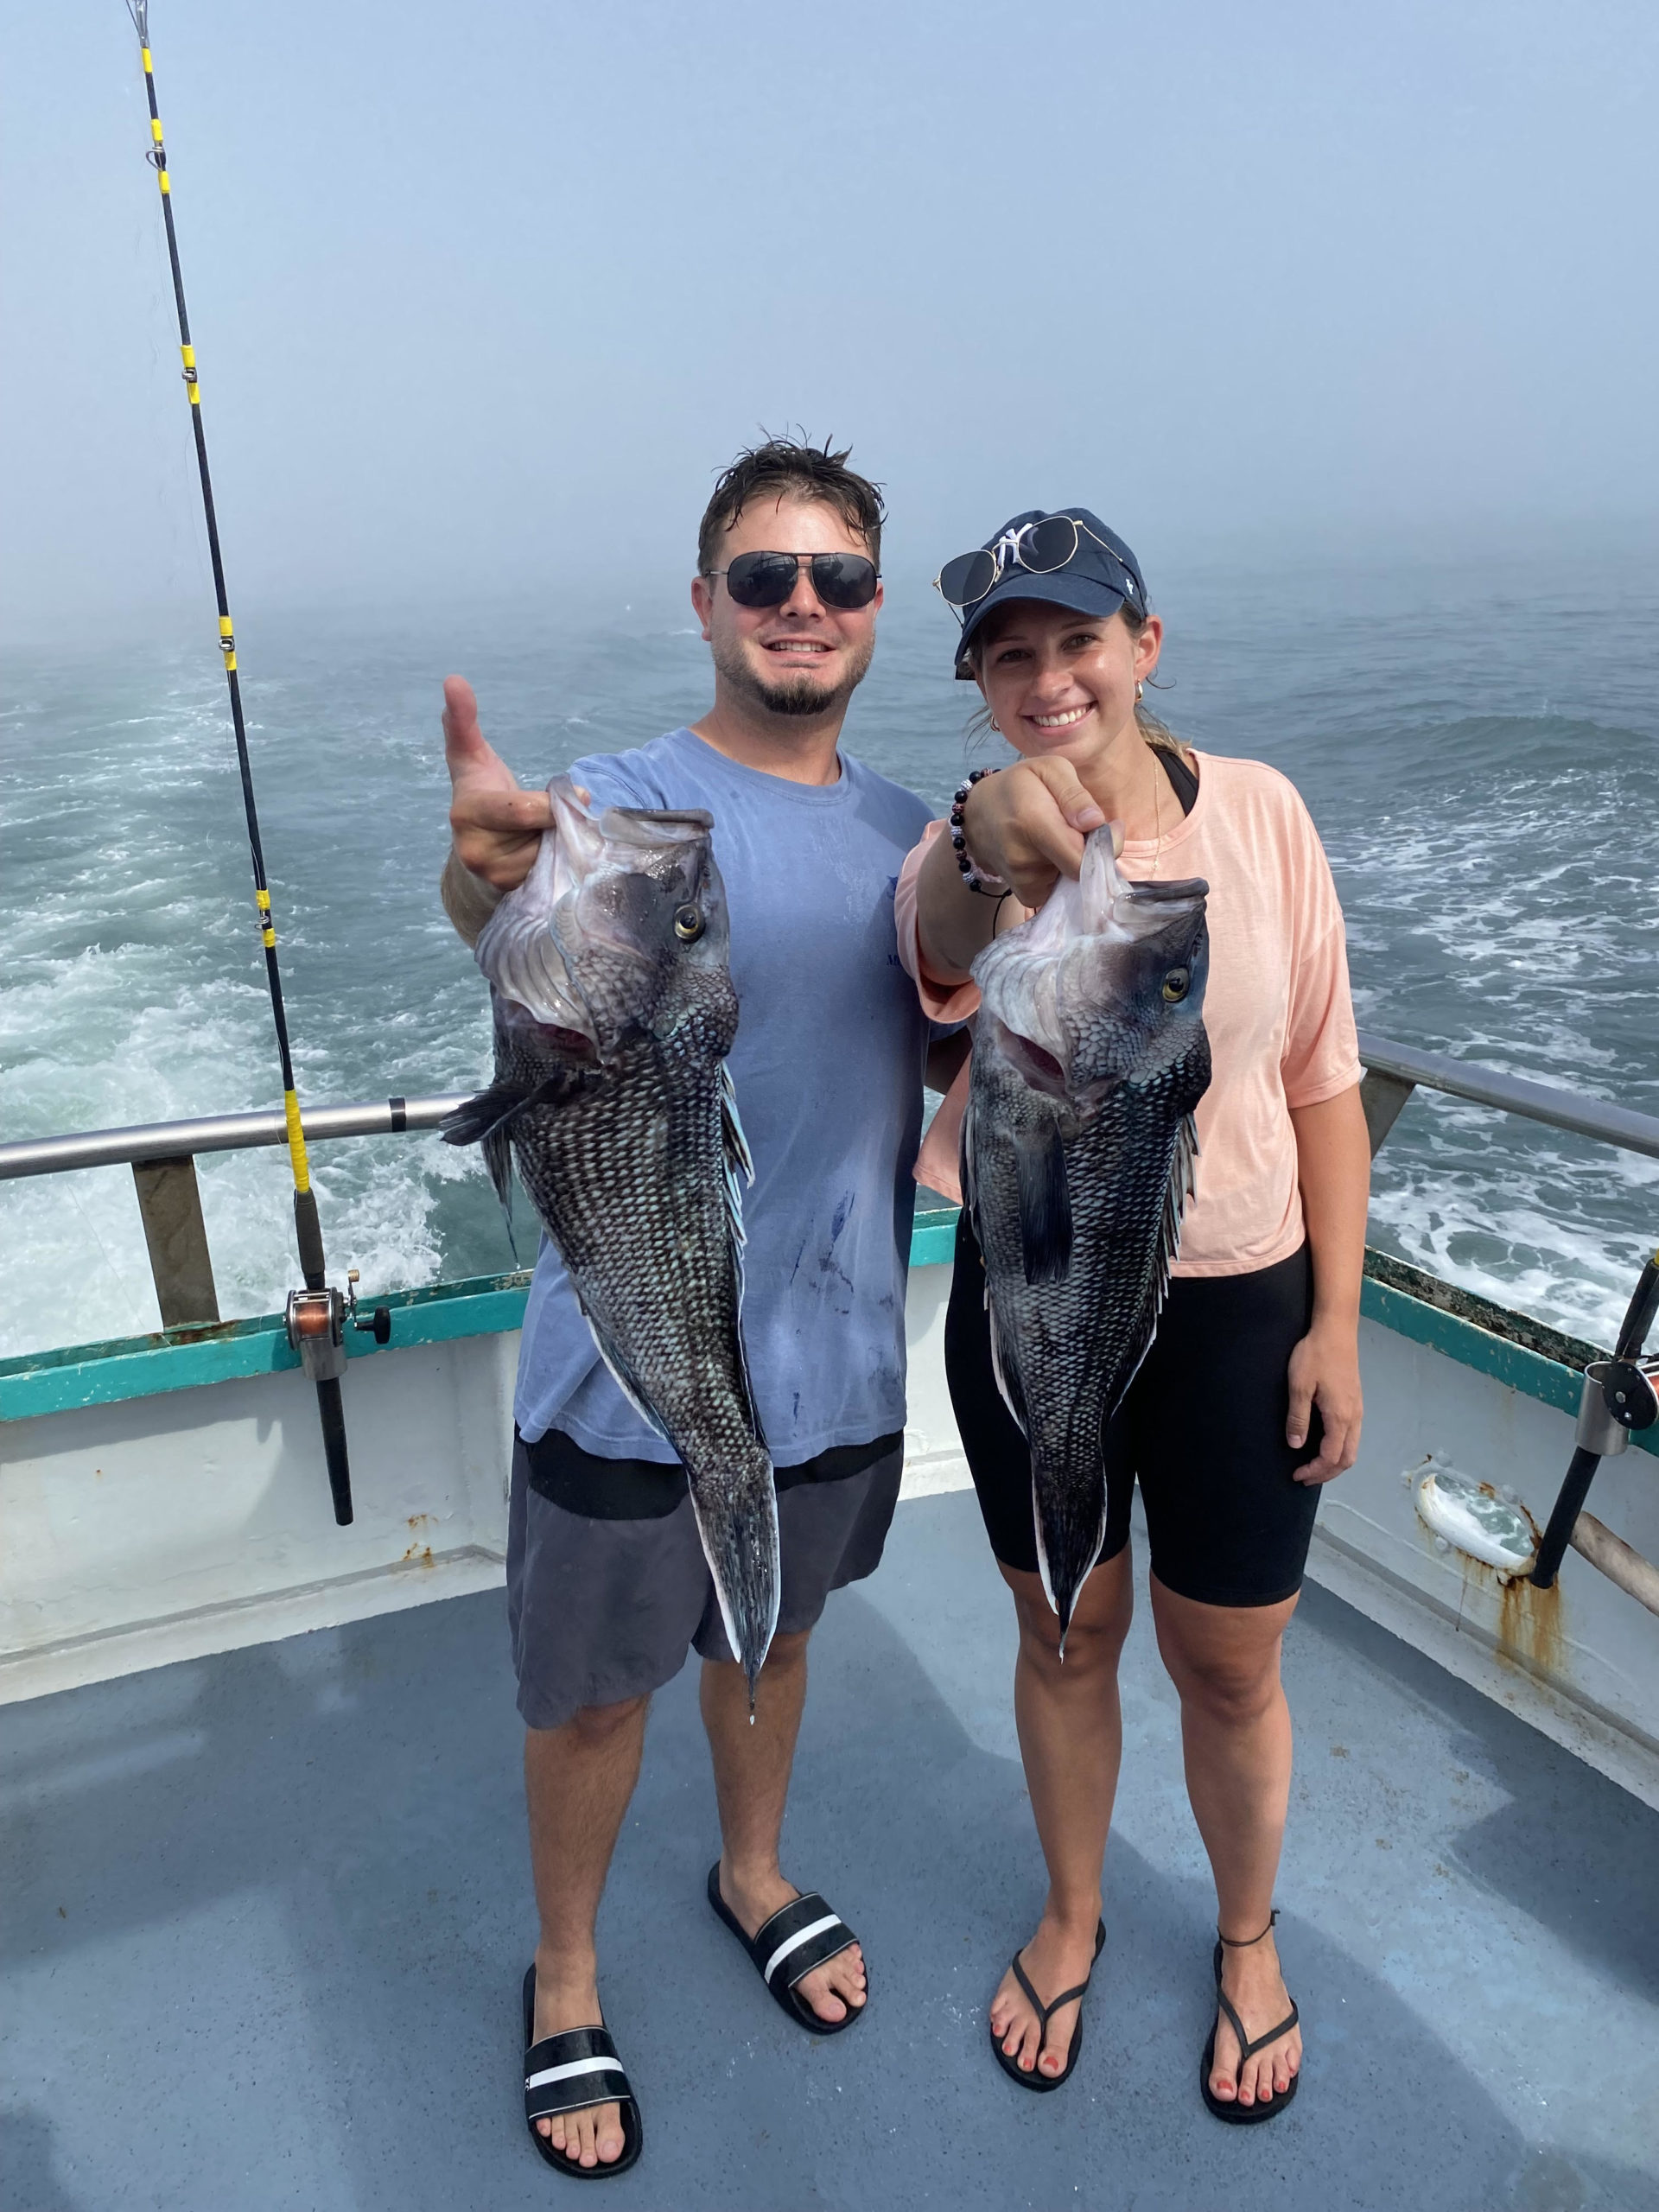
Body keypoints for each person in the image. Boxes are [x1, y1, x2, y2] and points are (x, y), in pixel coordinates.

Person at [439, 440, 934, 2175]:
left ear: (875, 606)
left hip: (835, 1345)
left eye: (840, 578)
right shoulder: (616, 804)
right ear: (708, 600)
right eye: (766, 576)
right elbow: (506, 930)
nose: (804, 606)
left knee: (774, 1633)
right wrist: (479, 873)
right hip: (623, 1361)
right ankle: (563, 1973)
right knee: (591, 1692)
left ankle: (751, 1865)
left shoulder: (912, 834)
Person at [894, 509, 1370, 2120]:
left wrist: (1339, 1327)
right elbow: (938, 950)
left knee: (1229, 1662)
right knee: (1067, 1629)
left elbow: (1325, 1085)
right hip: (1031, 1288)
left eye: (1077, 641)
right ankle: (1076, 1911)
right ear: (979, 687)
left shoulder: (1262, 817)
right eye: (1008, 657)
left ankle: (1246, 1939)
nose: (1047, 680)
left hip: (1244, 1304)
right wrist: (981, 846)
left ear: (1143, 646)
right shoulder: (969, 837)